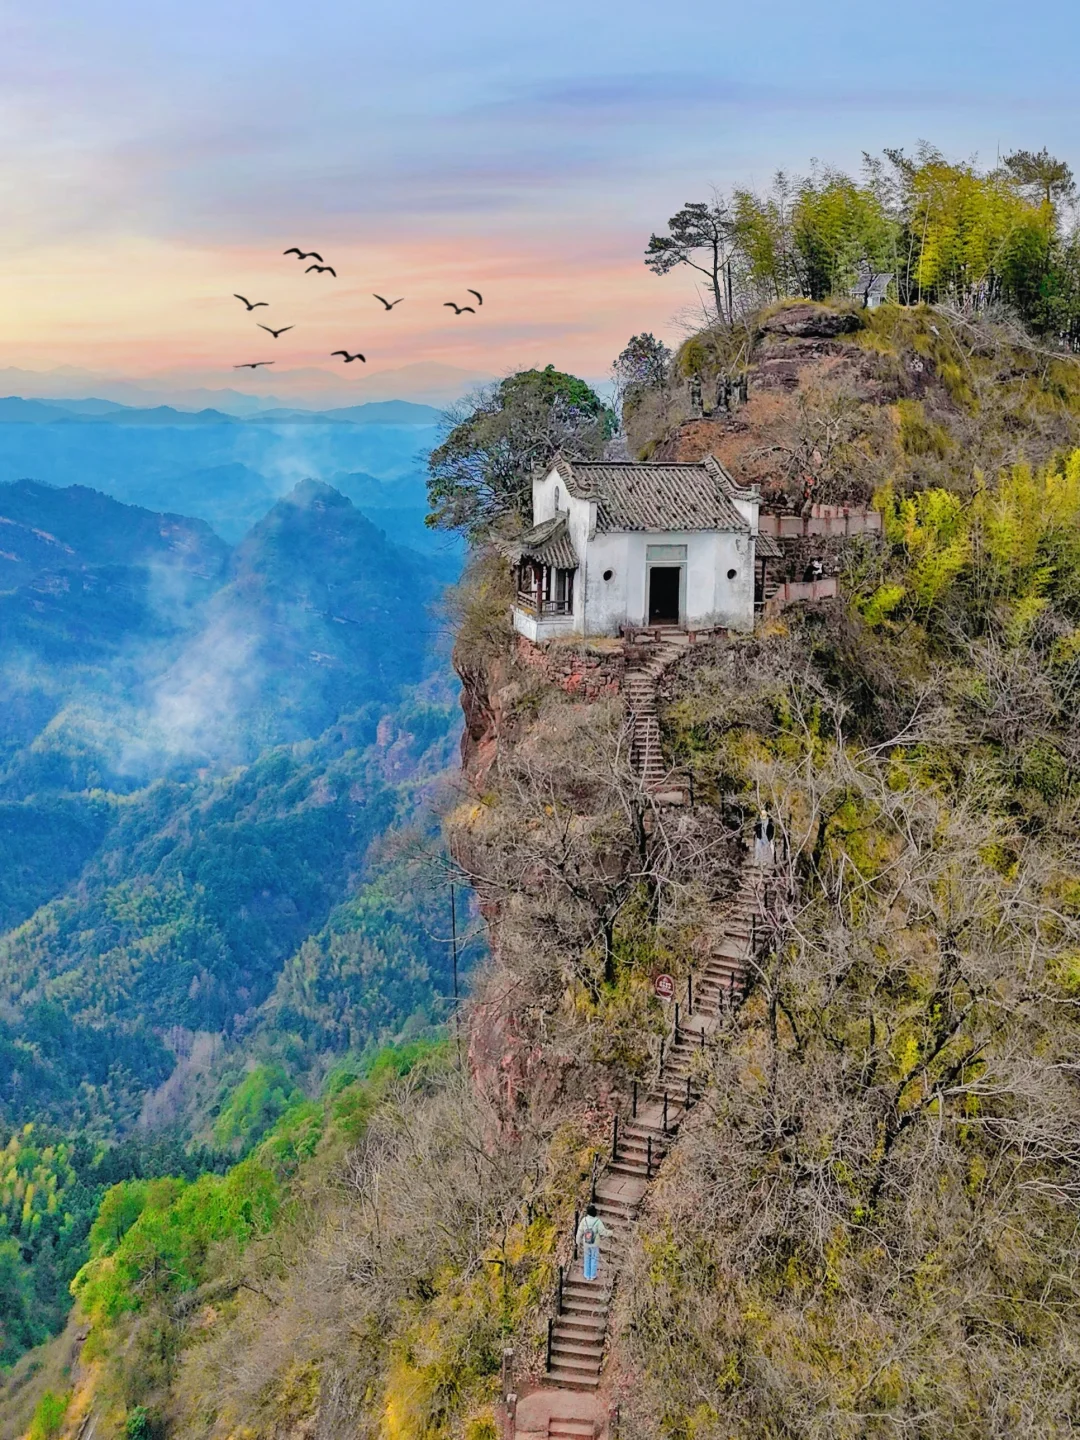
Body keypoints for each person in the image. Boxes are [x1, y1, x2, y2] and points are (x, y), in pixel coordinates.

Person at [576, 1204, 610, 1282]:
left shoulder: (584, 1220)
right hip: (595, 1243)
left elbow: (580, 1231)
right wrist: (611, 1233)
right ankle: (592, 1275)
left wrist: (577, 1240)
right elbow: (603, 1232)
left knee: (587, 1258)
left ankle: (587, 1275)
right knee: (594, 1258)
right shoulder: (597, 1221)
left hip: (586, 1242)